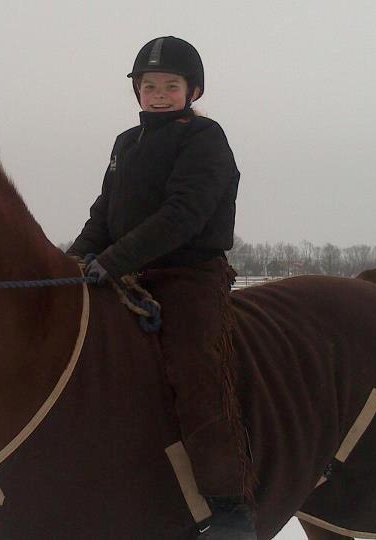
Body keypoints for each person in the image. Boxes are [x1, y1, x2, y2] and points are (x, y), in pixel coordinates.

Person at [67, 36, 245, 503]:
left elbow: (184, 214)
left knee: (195, 373)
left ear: (193, 92)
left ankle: (227, 502)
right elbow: (104, 213)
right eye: (150, 86)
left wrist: (112, 260)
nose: (159, 94)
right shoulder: (126, 143)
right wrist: (71, 263)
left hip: (188, 276)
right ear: (137, 91)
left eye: (171, 85)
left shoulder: (205, 138)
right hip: (123, 272)